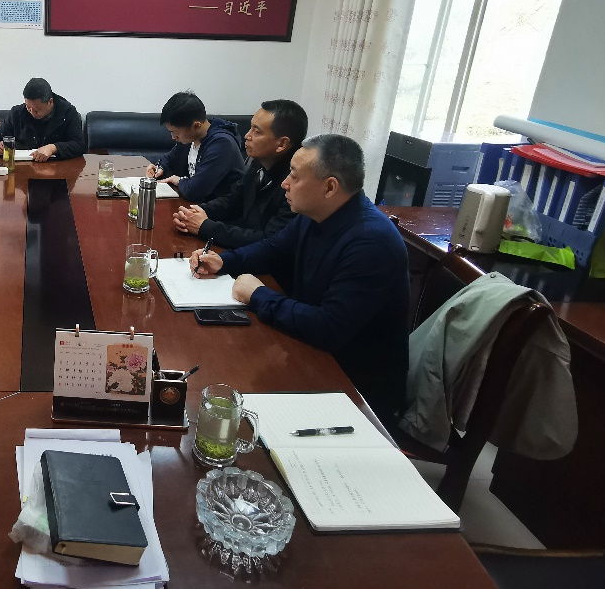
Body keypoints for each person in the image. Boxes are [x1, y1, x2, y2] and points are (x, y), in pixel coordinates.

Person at [190, 134, 409, 423]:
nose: (285, 183)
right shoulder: (316, 213)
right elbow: (273, 248)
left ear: (329, 187)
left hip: (353, 387)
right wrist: (225, 261)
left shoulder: (371, 242)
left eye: (294, 175)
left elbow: (328, 327)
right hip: (307, 349)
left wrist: (258, 294)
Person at [173, 99, 307, 248]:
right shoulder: (259, 163)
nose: (247, 136)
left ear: (282, 144)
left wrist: (204, 227)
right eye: (250, 128)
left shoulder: (296, 184)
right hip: (240, 250)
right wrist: (196, 212)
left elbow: (269, 241)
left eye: (256, 132)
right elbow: (234, 200)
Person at [147, 91, 244, 202]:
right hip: (196, 205)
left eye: (176, 133)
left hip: (220, 209)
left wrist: (178, 180)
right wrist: (159, 168)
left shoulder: (222, 144)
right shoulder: (191, 137)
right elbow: (168, 158)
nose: (173, 137)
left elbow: (195, 191)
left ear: (196, 126)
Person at [0, 77, 85, 161]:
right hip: (22, 168)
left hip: (56, 168)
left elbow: (79, 145)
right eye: (28, 107)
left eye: (37, 109)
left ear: (50, 102)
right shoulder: (17, 113)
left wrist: (54, 148)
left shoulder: (67, 112)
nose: (32, 112)